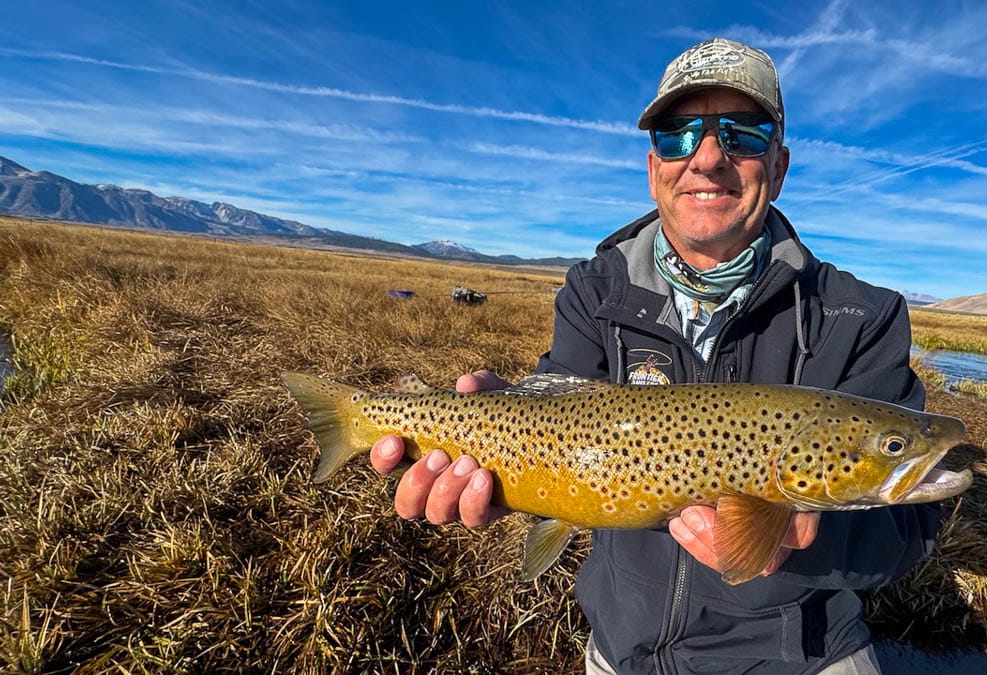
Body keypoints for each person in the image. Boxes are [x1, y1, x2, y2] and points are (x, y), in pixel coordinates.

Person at [371, 38, 938, 674]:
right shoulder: (593, 289)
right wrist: (506, 440)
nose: (708, 158)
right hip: (622, 652)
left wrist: (810, 537)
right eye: (678, 134)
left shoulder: (860, 315)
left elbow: (909, 535)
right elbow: (560, 407)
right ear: (653, 167)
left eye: (742, 134)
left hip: (803, 659)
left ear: (778, 167)